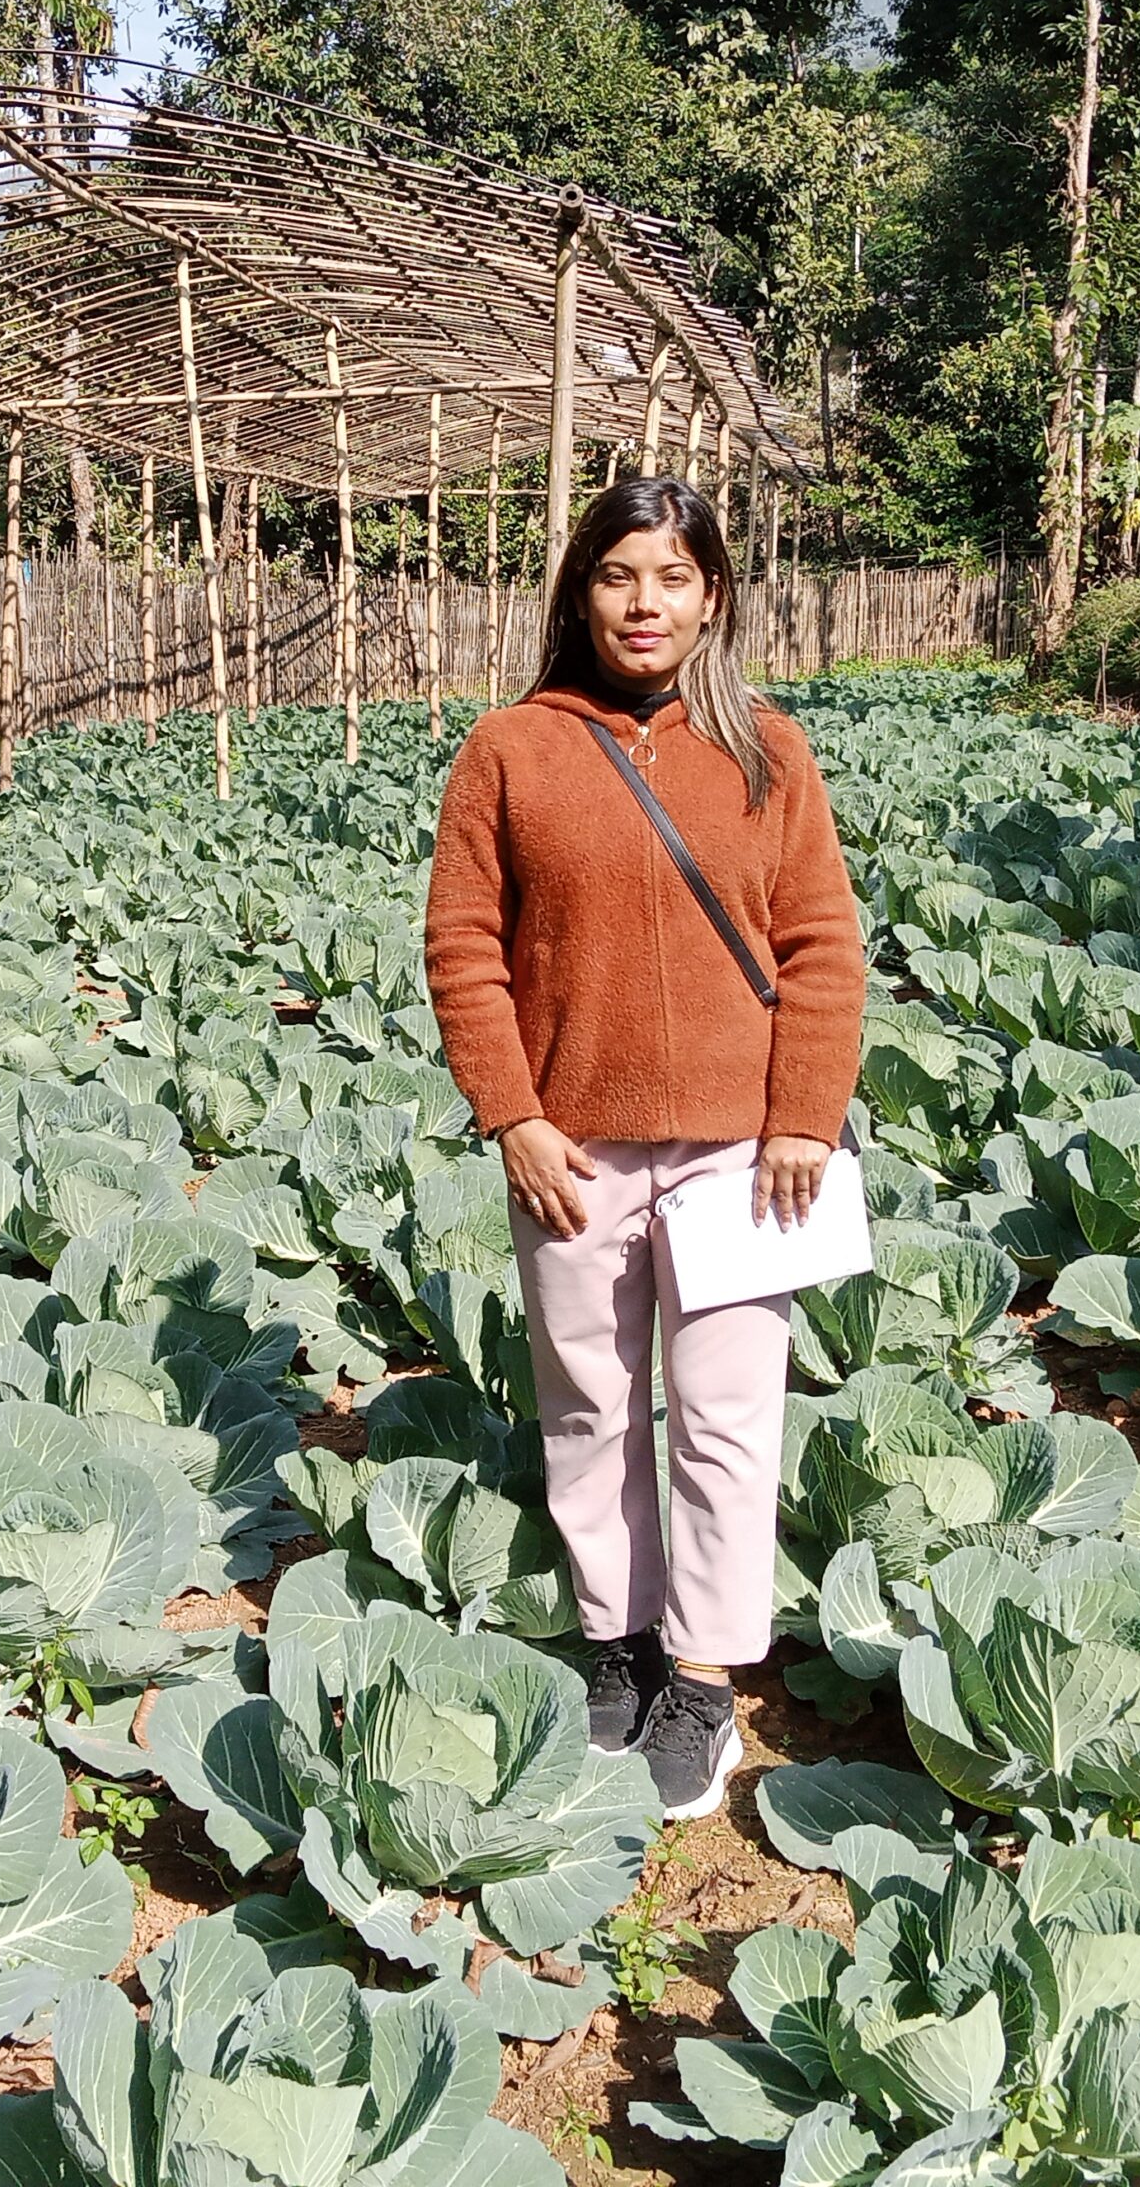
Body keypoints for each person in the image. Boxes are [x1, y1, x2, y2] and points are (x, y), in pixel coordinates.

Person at [423, 475, 866, 1819]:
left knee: (724, 1425)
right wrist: (515, 1116)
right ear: (579, 591)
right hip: (576, 1155)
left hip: (743, 1156)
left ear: (712, 596)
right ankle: (614, 1642)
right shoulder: (509, 748)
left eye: (672, 577)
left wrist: (800, 1113)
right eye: (619, 575)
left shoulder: (771, 754)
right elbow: (464, 951)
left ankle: (704, 1677)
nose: (645, 603)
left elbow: (824, 947)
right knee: (590, 1410)